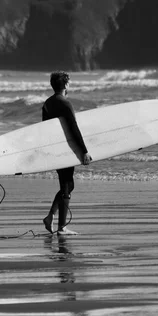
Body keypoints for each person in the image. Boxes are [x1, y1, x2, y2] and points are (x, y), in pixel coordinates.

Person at [41, 71, 92, 235]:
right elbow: (73, 128)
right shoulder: (65, 103)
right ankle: (61, 227)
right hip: (66, 148)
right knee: (67, 185)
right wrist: (84, 151)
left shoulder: (47, 104)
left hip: (56, 148)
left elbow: (45, 129)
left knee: (67, 185)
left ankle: (50, 217)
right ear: (66, 85)